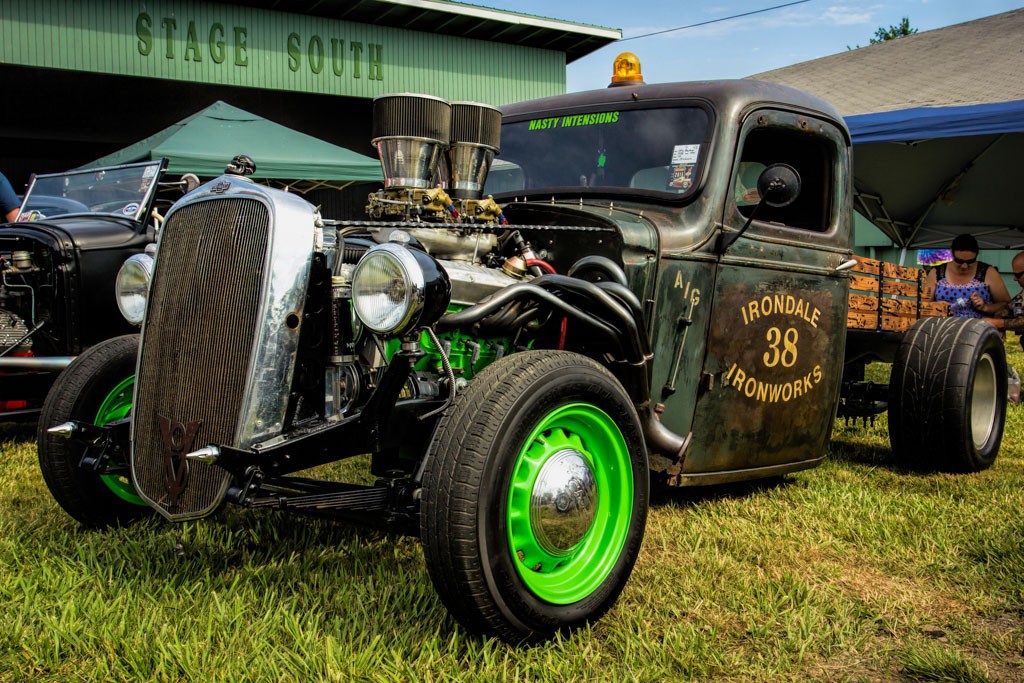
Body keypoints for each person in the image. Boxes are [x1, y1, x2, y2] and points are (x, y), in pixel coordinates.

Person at [924, 233, 1010, 318]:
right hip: (944, 328)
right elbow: (920, 307)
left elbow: (1006, 305)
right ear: (951, 252)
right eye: (959, 261)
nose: (964, 266)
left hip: (979, 329)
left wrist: (985, 307)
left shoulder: (988, 272)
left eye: (970, 261)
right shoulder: (937, 272)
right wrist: (936, 307)